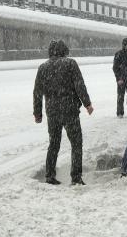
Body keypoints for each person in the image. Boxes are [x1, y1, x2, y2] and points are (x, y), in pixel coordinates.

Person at [33, 40, 93, 185]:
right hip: (69, 110)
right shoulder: (70, 63)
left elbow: (37, 92)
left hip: (52, 112)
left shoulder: (43, 67)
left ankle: (49, 175)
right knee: (76, 143)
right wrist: (87, 104)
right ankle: (76, 177)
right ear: (64, 50)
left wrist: (38, 113)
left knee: (54, 143)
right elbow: (79, 85)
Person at [113, 38, 127, 118]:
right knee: (120, 97)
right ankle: (120, 113)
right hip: (121, 79)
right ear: (124, 45)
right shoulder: (119, 54)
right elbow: (115, 68)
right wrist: (118, 79)